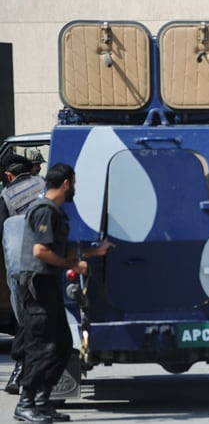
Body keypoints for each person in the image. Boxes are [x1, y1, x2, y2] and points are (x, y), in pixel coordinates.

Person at [13, 163, 113, 423]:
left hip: (47, 284)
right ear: (66, 183)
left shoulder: (53, 211)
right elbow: (41, 252)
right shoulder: (45, 210)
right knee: (42, 346)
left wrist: (94, 252)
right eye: (74, 183)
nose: (75, 189)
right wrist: (74, 265)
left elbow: (57, 251)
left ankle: (42, 402)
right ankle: (26, 403)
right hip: (37, 286)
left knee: (60, 345)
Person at [1, 154, 45, 395]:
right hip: (51, 263)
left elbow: (3, 235)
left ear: (9, 175)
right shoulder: (44, 184)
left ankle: (21, 373)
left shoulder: (6, 196)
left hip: (20, 269)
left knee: (25, 320)